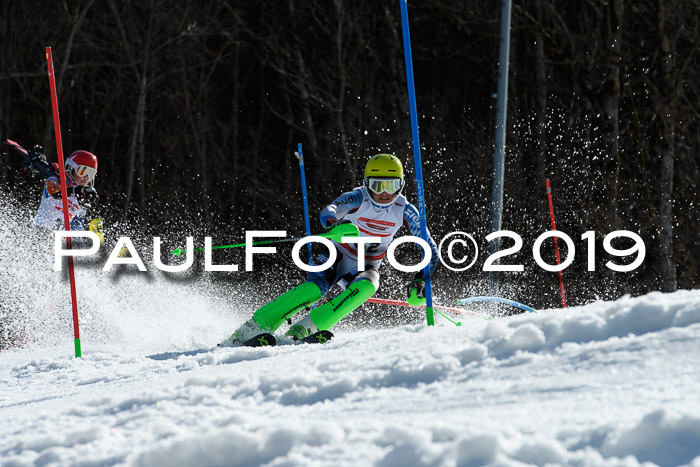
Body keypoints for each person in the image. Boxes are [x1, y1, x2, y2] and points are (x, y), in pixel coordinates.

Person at [227, 153, 439, 345]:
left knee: (368, 286)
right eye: (377, 185)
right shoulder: (359, 198)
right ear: (367, 184)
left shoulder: (405, 210)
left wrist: (421, 279)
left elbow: (430, 249)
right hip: (335, 256)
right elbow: (331, 210)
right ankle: (253, 327)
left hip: (366, 265)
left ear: (400, 186)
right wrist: (333, 223)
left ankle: (304, 328)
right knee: (314, 290)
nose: (384, 193)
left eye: (390, 186)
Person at [33, 148, 100, 233]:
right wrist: (75, 190)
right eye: (82, 171)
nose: (86, 177)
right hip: (41, 232)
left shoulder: (81, 197)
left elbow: (77, 227)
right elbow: (56, 192)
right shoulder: (55, 180)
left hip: (58, 239)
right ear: (71, 169)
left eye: (90, 173)